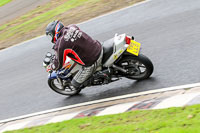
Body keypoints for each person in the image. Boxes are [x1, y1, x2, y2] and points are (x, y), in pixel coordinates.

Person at [45, 20, 103, 89]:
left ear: (55, 32)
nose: (51, 38)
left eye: (50, 35)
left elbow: (58, 65)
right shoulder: (72, 26)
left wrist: (50, 67)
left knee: (75, 83)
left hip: (92, 60)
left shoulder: (60, 44)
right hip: (97, 45)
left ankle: (95, 78)